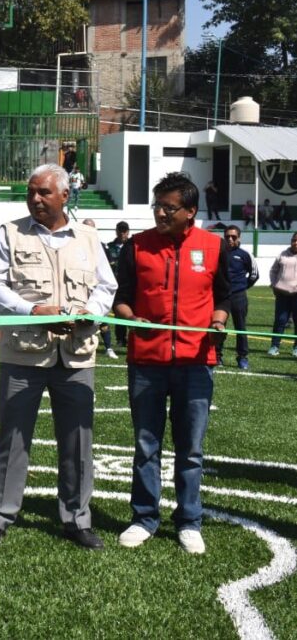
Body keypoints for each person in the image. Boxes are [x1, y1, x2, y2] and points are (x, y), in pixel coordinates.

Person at [0, 163, 117, 551]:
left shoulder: (88, 237)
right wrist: (30, 311)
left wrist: (92, 312)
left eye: (44, 193)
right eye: (31, 192)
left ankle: (77, 518)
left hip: (76, 356)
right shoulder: (10, 233)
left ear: (65, 196)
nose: (35, 199)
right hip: (24, 354)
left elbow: (107, 286)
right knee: (12, 436)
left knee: (78, 441)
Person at [113, 172, 229, 555]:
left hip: (197, 362)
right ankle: (144, 517)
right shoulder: (137, 246)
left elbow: (224, 296)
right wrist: (132, 318)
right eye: (157, 205)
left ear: (190, 211)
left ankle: (189, 521)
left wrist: (218, 321)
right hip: (147, 361)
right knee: (146, 444)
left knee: (190, 449)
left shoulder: (213, 246)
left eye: (169, 207)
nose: (160, 213)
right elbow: (122, 296)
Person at [218, 226, 257, 369]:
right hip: (222, 297)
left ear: (239, 238)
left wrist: (242, 287)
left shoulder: (245, 255)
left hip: (238, 297)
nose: (230, 239)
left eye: (233, 237)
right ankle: (217, 356)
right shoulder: (219, 253)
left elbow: (254, 275)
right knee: (219, 326)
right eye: (227, 236)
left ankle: (242, 357)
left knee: (240, 327)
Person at [99, 221, 131, 358]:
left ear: (128, 232)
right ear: (116, 231)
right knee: (109, 313)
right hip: (111, 285)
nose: (122, 233)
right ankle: (118, 340)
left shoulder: (131, 246)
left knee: (126, 312)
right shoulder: (109, 247)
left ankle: (126, 339)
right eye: (120, 230)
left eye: (125, 231)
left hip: (126, 285)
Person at [267, 232, 297, 357]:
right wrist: (274, 284)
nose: (295, 243)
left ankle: (296, 348)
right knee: (280, 320)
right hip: (282, 293)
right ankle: (274, 346)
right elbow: (273, 271)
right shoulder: (282, 255)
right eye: (294, 240)